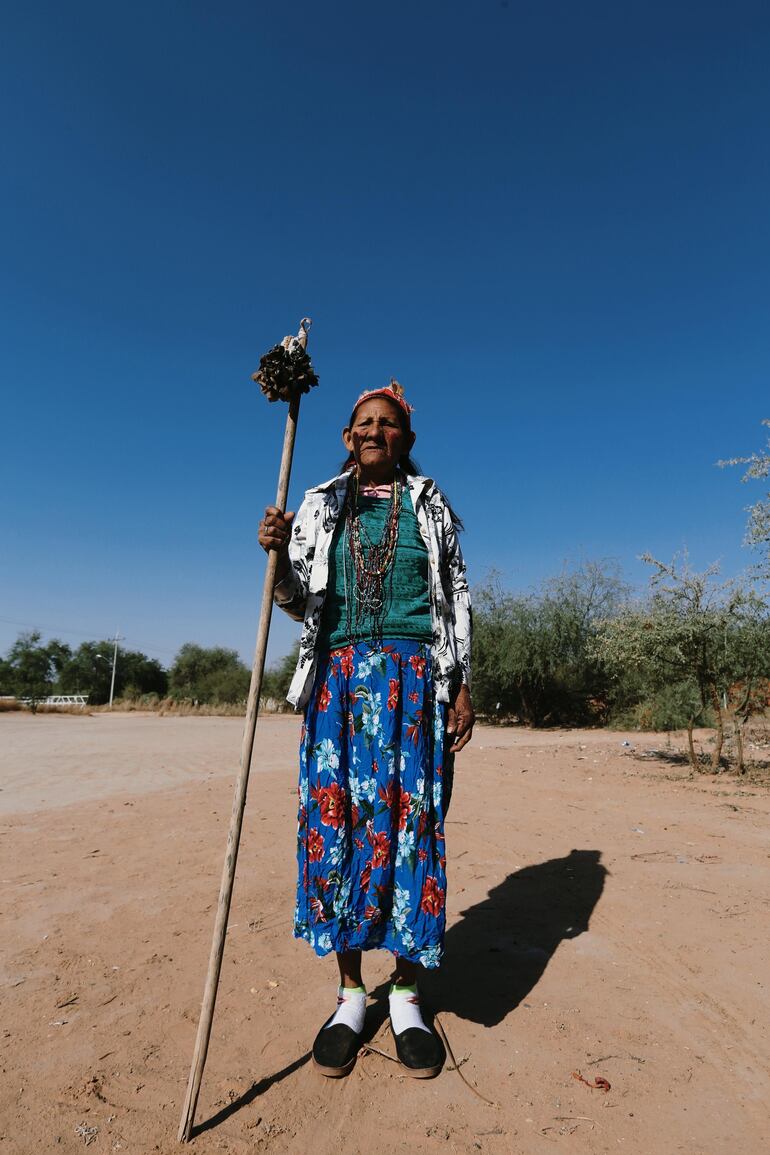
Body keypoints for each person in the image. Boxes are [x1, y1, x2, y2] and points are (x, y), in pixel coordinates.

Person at [258, 380, 474, 1079]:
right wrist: (278, 560)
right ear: (348, 439)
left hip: (415, 684)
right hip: (339, 689)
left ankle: (406, 992)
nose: (374, 431)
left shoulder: (431, 506)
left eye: (387, 423)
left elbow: (458, 598)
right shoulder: (320, 508)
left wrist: (462, 683)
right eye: (362, 424)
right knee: (337, 826)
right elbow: (298, 603)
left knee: (414, 827)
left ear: (405, 439)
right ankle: (352, 994)